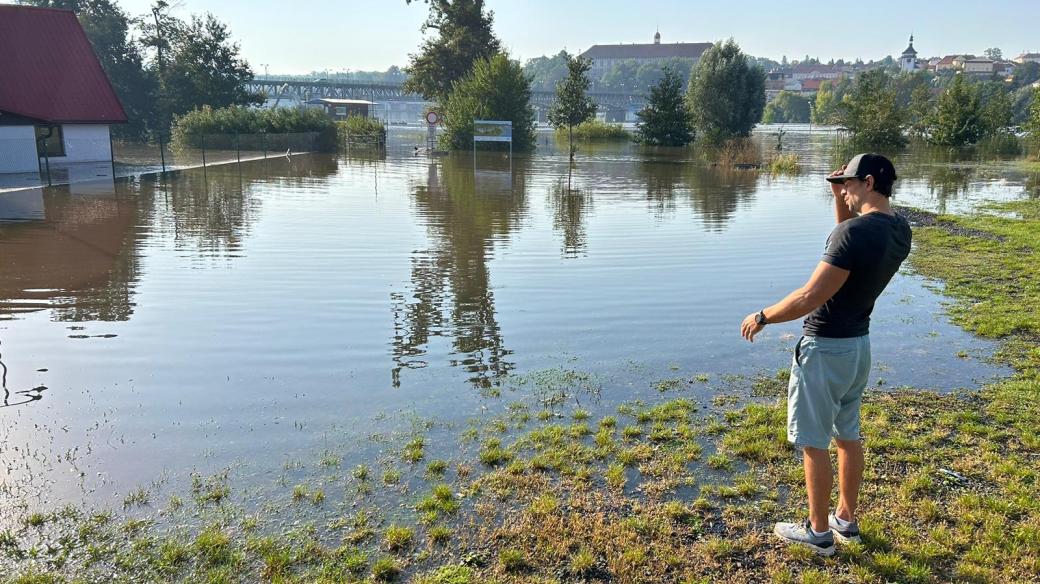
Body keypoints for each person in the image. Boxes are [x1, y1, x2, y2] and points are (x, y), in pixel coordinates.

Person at [739, 153, 912, 556]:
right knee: (847, 436)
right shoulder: (900, 230)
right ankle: (845, 520)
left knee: (813, 442)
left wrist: (764, 316)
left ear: (868, 182)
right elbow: (849, 243)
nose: (846, 191)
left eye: (850, 184)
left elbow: (810, 296)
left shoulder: (851, 235)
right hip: (857, 347)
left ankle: (817, 532)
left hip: (824, 347)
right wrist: (838, 197)